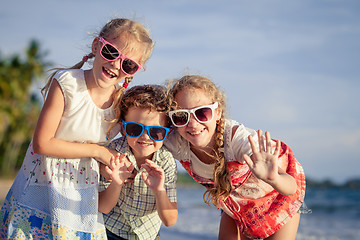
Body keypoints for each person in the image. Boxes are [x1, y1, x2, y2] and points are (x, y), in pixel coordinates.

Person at [0, 18, 154, 239]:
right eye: (111, 52)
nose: (116, 65)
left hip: (80, 201)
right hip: (41, 189)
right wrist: (99, 151)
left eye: (128, 63)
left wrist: (111, 168)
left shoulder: (121, 104)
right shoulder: (68, 83)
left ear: (136, 70)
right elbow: (42, 143)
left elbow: (136, 138)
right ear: (96, 46)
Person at [165, 75, 307, 240]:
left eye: (202, 113)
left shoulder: (237, 140)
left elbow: (291, 187)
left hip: (278, 196)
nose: (193, 123)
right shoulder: (178, 142)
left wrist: (274, 178)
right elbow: (143, 137)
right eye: (182, 116)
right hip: (239, 205)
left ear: (218, 113)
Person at [98, 84, 178, 240]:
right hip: (111, 231)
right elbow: (103, 207)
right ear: (123, 128)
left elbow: (170, 220)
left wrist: (159, 190)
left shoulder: (166, 161)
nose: (146, 137)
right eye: (135, 129)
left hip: (149, 235)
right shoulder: (114, 152)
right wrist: (116, 182)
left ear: (166, 132)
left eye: (156, 131)